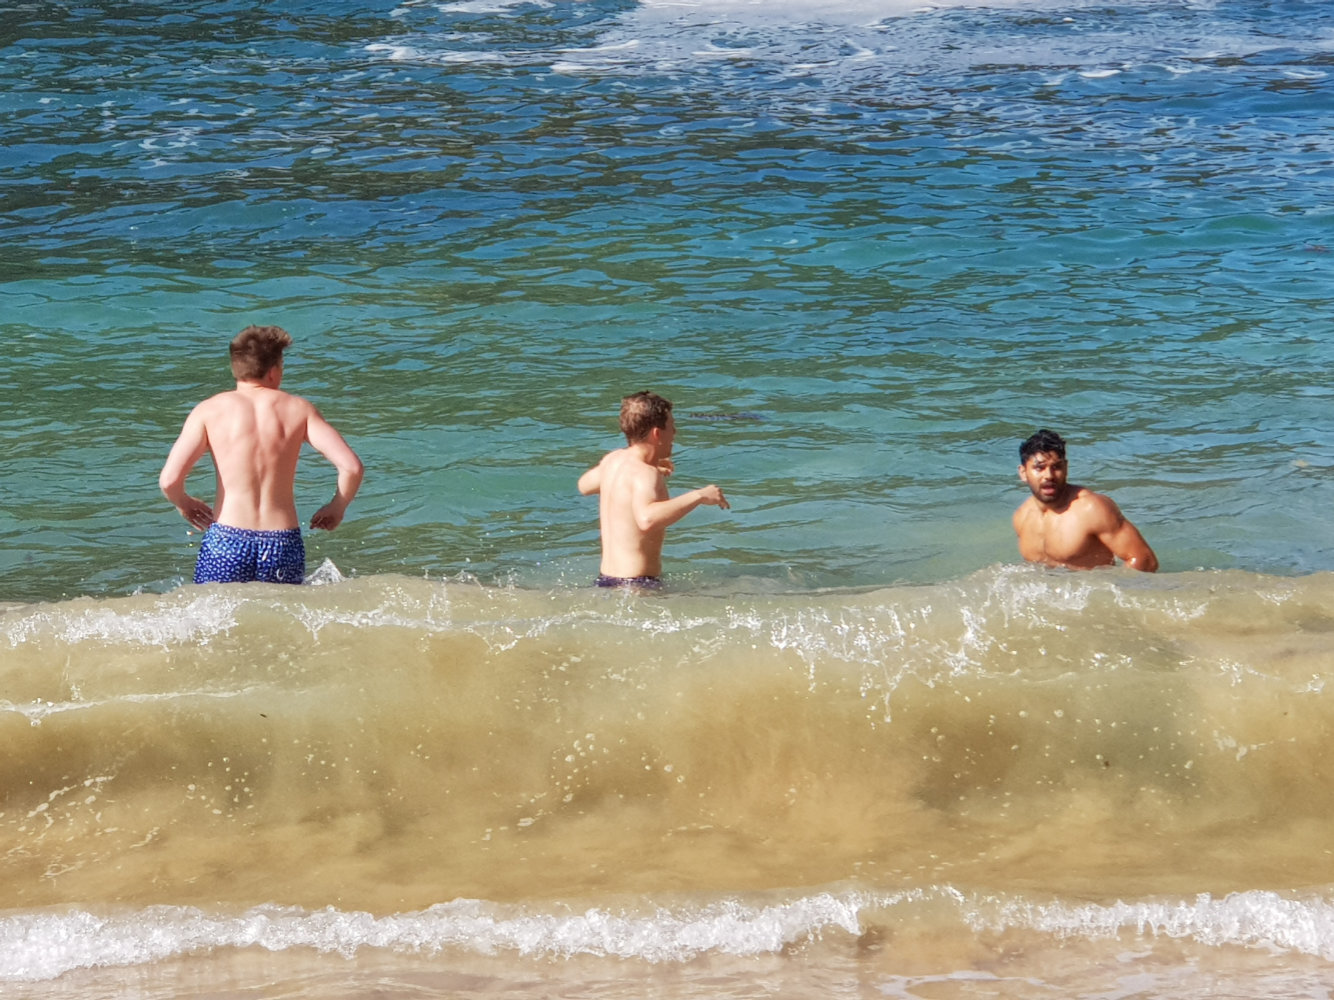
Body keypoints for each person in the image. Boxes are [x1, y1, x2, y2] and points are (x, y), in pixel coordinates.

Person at [160, 325, 364, 585]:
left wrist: (184, 504)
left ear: (235, 367)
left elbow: (169, 481)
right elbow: (351, 468)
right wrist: (337, 507)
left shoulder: (208, 411)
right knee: (281, 609)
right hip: (282, 543)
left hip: (227, 540)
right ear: (274, 371)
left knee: (215, 608)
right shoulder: (299, 409)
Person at [577, 391, 730, 588]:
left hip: (606, 580)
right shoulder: (645, 473)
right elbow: (647, 519)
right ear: (657, 433)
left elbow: (584, 485)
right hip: (637, 585)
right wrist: (699, 495)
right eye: (672, 427)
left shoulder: (614, 460)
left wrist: (647, 469)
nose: (674, 433)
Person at [1012, 428, 1158, 572]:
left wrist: (1105, 588)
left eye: (1056, 467)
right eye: (1039, 468)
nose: (1049, 475)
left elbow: (1145, 561)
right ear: (1023, 473)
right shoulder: (1022, 517)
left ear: (1066, 468)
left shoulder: (1091, 509)